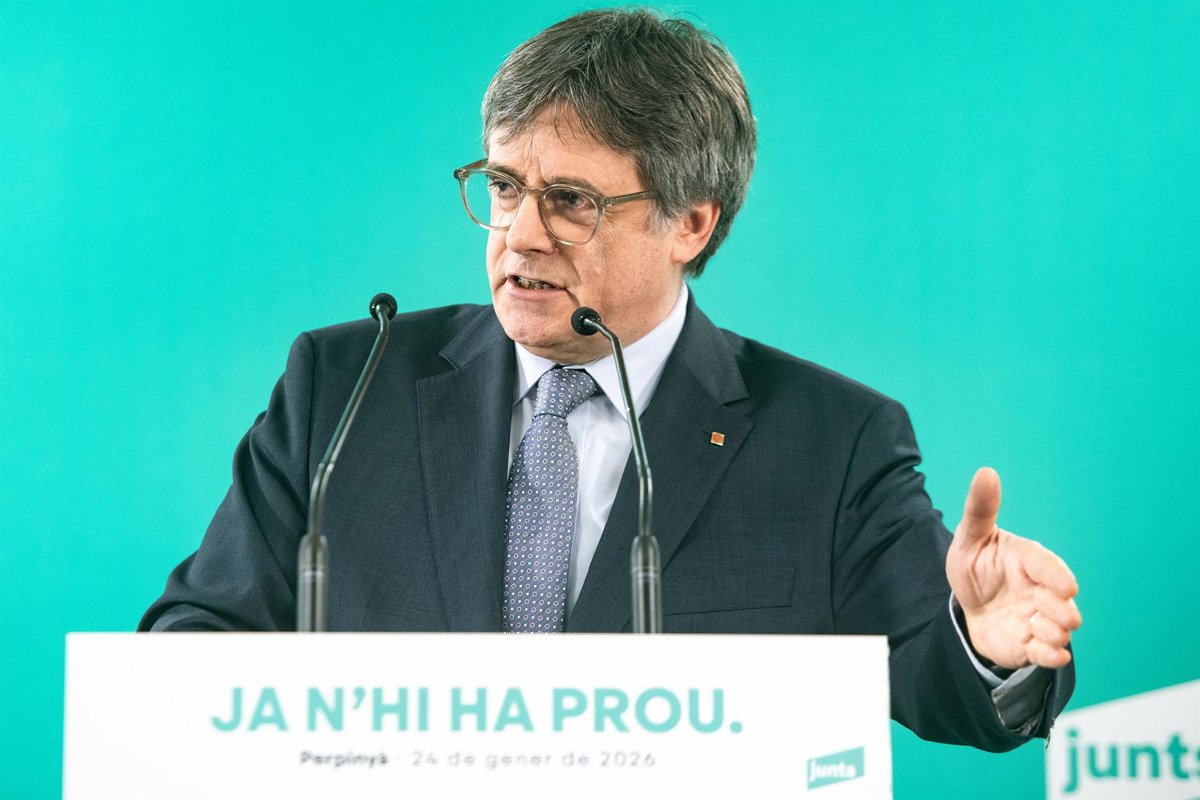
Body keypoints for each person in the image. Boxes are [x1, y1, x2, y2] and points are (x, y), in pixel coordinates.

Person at [140, 8, 1081, 752]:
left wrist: (987, 641)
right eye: (503, 187)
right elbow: (197, 637)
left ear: (691, 223)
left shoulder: (831, 442)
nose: (520, 236)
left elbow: (934, 668)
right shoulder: (347, 389)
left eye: (571, 201)